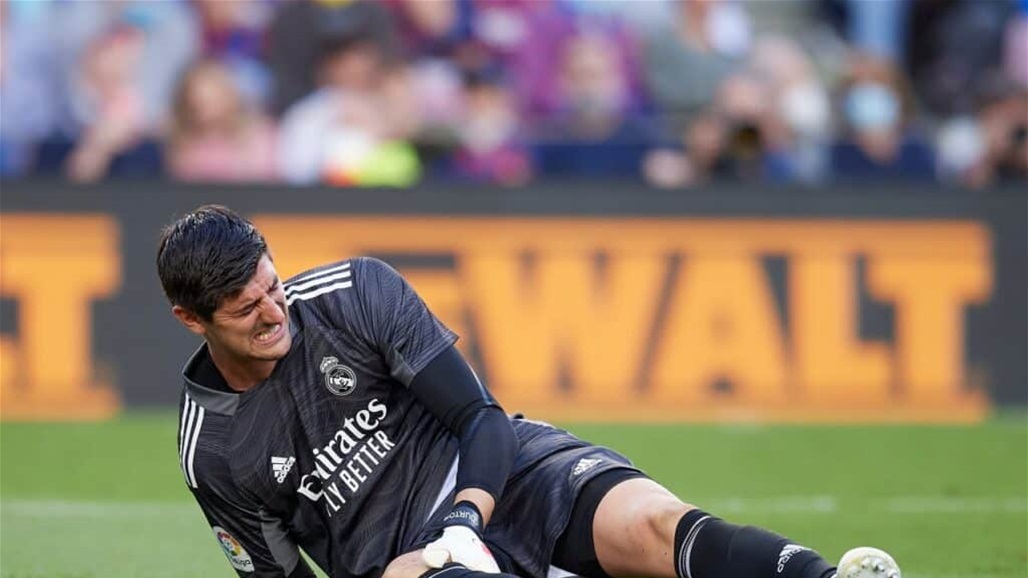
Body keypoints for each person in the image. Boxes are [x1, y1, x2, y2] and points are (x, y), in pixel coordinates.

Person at [157, 205, 903, 578]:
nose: (275, 313)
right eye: (247, 309)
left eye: (274, 286)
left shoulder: (356, 292)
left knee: (651, 524)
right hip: (404, 561)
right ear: (192, 319)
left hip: (500, 475)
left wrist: (463, 520)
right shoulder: (212, 452)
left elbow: (480, 417)